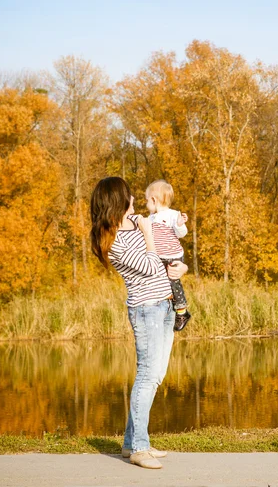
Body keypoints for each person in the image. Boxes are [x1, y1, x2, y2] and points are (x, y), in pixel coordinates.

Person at [90, 176, 188, 469]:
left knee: (155, 375)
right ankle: (139, 449)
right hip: (146, 309)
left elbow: (166, 252)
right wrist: (147, 234)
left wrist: (180, 266)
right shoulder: (114, 239)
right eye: (128, 196)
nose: (134, 200)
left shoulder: (138, 223)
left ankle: (131, 443)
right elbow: (147, 265)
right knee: (147, 375)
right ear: (116, 201)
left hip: (166, 304)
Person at [145, 179, 191, 331]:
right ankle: (167, 306)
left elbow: (182, 233)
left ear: (154, 200)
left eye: (147, 201)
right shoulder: (150, 218)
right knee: (161, 282)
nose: (146, 205)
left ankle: (182, 311)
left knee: (173, 281)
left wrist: (179, 224)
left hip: (174, 256)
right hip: (161, 256)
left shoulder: (173, 215)